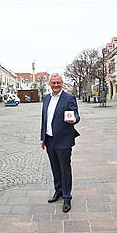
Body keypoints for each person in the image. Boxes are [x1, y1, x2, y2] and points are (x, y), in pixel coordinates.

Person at [40, 74, 80, 213]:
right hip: (50, 140)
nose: (56, 85)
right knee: (55, 168)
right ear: (49, 84)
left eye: (58, 83)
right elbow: (44, 119)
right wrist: (42, 138)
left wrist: (73, 119)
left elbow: (76, 115)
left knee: (65, 169)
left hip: (63, 140)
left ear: (62, 83)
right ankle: (58, 191)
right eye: (53, 83)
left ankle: (67, 196)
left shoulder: (69, 98)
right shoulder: (46, 98)